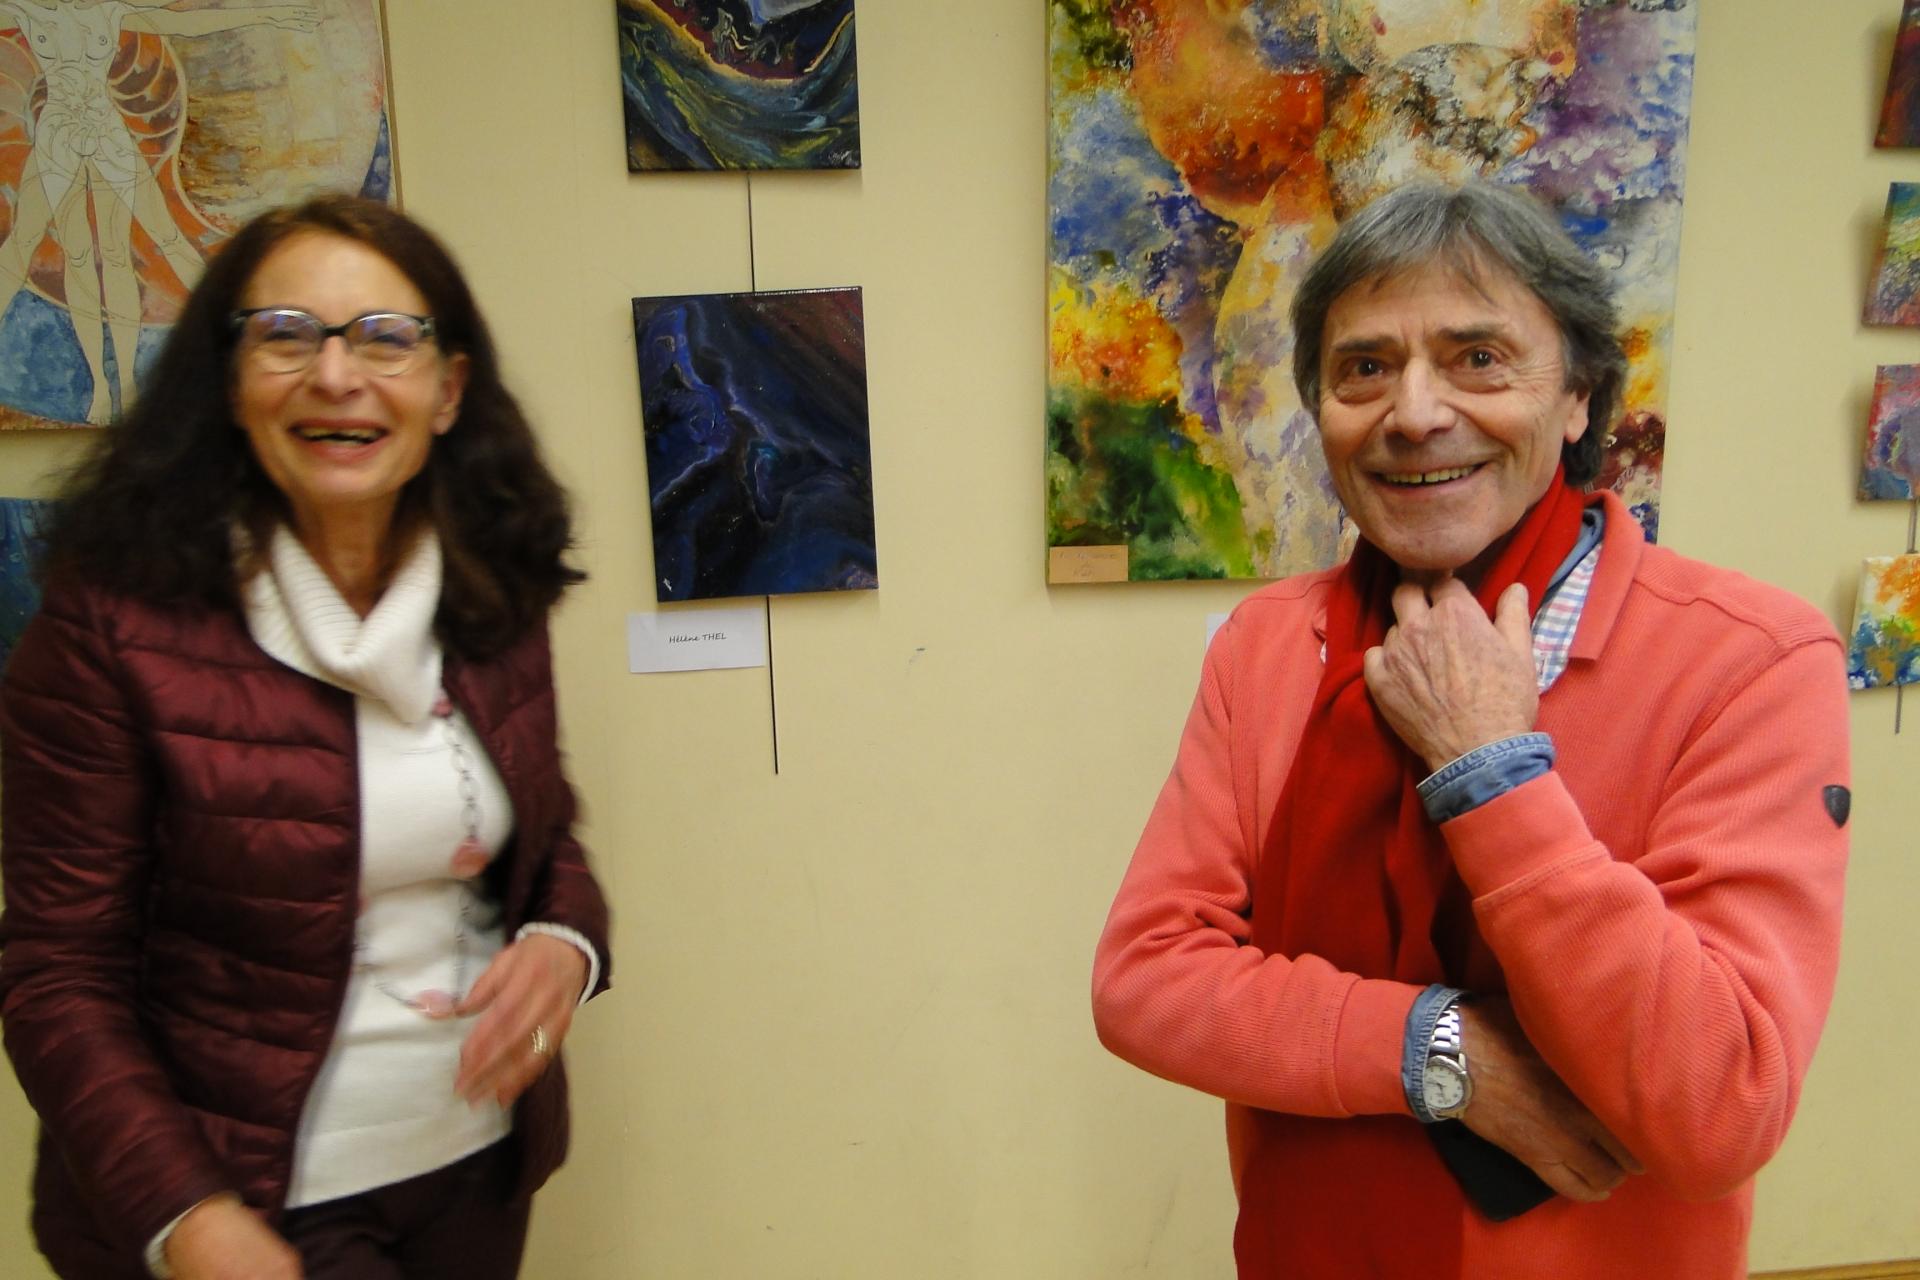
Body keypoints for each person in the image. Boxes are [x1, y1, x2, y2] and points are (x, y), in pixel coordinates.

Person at [1091, 179, 1849, 1279]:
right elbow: (1148, 979)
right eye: (1363, 368)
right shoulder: (1270, 644)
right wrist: (1438, 1051)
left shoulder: (1750, 659)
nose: (1413, 414)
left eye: (1478, 358)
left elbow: (1720, 1109)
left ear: (1578, 396)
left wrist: (1491, 772)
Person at [0, 193, 610, 1279]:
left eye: (386, 338)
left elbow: (543, 833)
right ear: (230, 385)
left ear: (448, 390)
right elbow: (57, 974)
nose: (336, 375)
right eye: (286, 334)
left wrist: (569, 943)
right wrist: (186, 1215)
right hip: (248, 1204)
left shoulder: (491, 591)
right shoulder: (111, 626)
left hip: (471, 1173)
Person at [0, 0, 322, 423]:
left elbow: (185, 22)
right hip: (58, 136)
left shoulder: (111, 11)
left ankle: (223, 332)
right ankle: (100, 388)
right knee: (55, 251)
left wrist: (265, 14)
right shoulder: (28, 10)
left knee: (140, 245)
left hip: (106, 132)